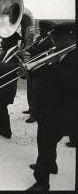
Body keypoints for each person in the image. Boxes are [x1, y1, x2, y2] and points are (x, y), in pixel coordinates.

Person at [26, 22, 77, 191]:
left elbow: (67, 83)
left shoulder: (74, 57)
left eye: (58, 37)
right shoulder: (61, 53)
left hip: (59, 111)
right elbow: (42, 73)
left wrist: (51, 64)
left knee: (46, 144)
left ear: (71, 38)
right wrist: (29, 71)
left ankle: (42, 182)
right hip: (48, 108)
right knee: (46, 143)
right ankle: (51, 165)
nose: (54, 40)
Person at [24, 20, 56, 123]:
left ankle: (34, 115)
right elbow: (34, 48)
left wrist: (33, 50)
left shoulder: (51, 40)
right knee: (30, 90)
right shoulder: (39, 38)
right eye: (40, 30)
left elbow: (47, 55)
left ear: (47, 30)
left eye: (42, 30)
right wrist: (30, 48)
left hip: (41, 70)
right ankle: (30, 109)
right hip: (32, 68)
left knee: (36, 93)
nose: (40, 32)